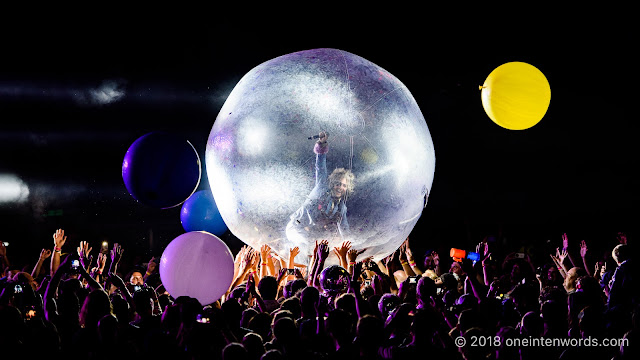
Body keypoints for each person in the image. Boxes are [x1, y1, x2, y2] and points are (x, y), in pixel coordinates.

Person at [286, 131, 355, 257]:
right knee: (306, 248)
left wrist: (351, 246)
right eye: (338, 184)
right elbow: (320, 167)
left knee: (320, 251)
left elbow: (344, 230)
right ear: (333, 183)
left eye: (344, 185)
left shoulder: (341, 208)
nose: (340, 187)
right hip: (296, 228)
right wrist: (322, 144)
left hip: (310, 236)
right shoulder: (322, 187)